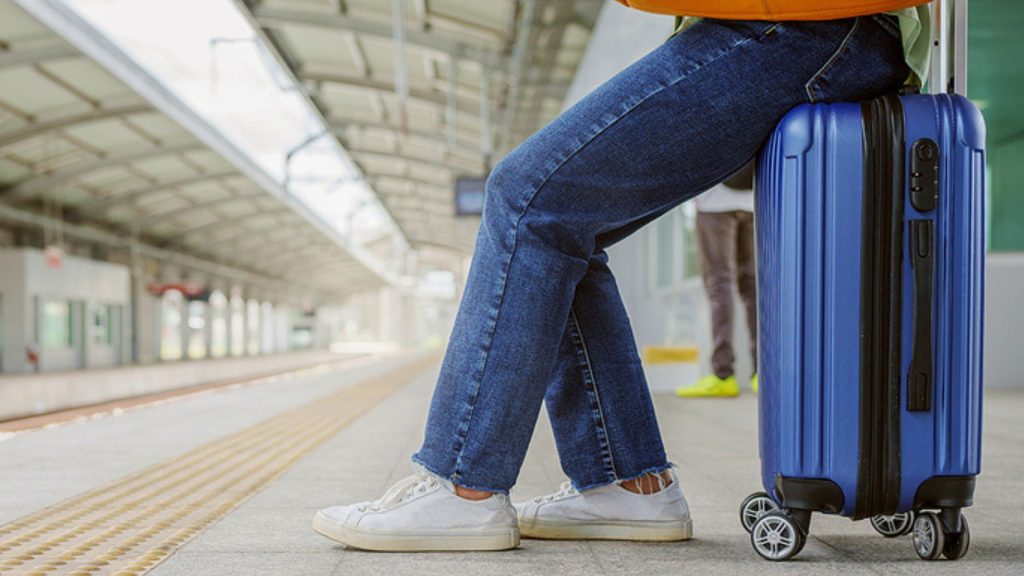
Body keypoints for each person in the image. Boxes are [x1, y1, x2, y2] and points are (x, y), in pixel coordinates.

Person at [313, 1, 931, 552]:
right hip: (805, 26)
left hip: (803, 25)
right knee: (558, 222)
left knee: (526, 197)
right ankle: (627, 482)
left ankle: (461, 484)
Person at [676, 163, 758, 398]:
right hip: (751, 200)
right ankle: (761, 373)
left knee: (719, 284)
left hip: (714, 200)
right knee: (752, 285)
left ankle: (722, 374)